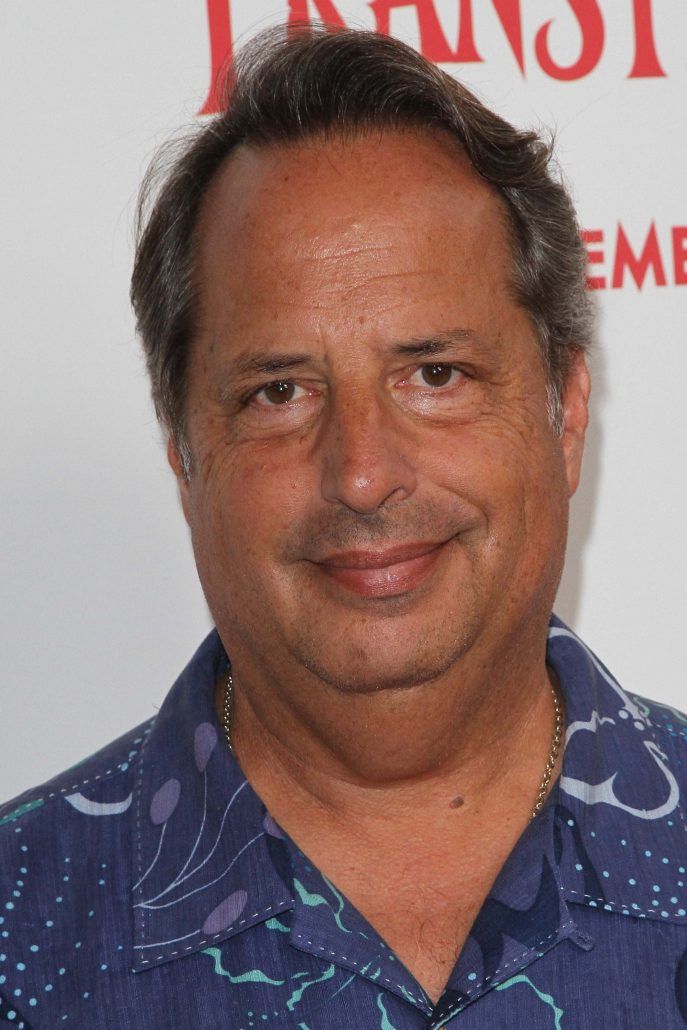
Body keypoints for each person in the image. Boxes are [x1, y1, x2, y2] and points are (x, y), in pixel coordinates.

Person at [1, 24, 686, 1030]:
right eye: (279, 391)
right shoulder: (21, 937)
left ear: (566, 410)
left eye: (436, 375)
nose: (362, 472)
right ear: (183, 448)